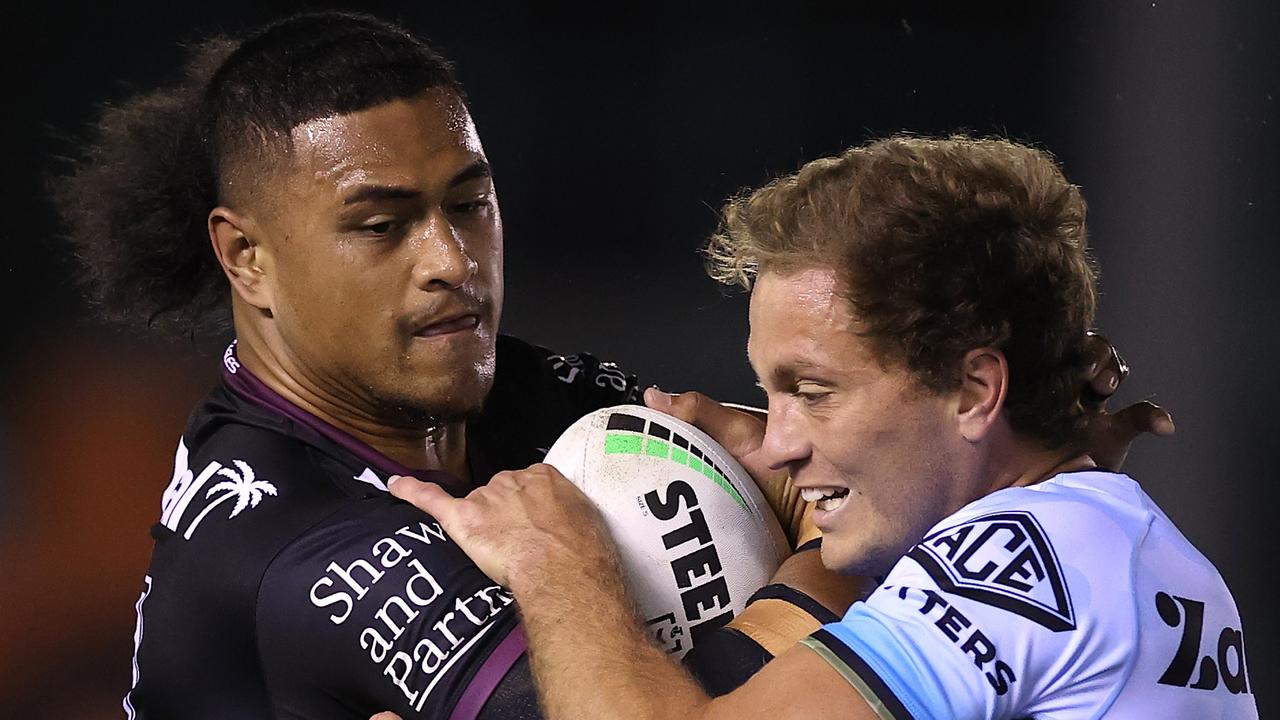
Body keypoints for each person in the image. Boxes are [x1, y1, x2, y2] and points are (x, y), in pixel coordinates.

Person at [53, 12, 1159, 719]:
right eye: (381, 225)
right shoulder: (297, 555)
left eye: (469, 203)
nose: (452, 264)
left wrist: (996, 452)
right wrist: (816, 559)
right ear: (246, 255)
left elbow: (855, 462)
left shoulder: (517, 394)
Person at [387, 136, 1255, 718]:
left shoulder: (1023, 563)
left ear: (974, 390)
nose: (779, 439)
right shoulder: (1110, 545)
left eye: (816, 391)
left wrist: (559, 564)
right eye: (771, 393)